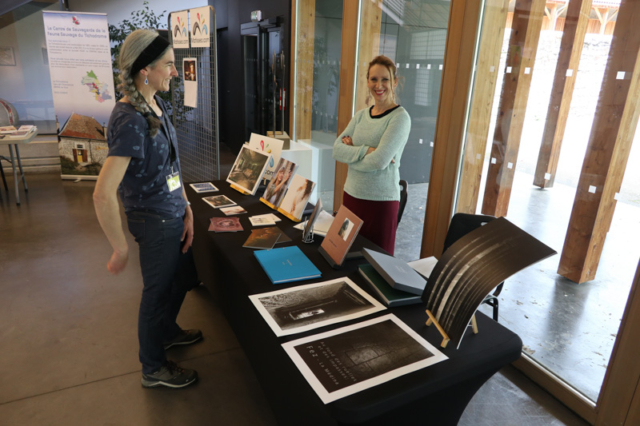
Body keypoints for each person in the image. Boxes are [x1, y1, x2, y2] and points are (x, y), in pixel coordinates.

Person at [93, 29, 201, 389]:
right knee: (156, 293)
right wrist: (119, 246)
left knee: (183, 279)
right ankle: (153, 367)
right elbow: (103, 193)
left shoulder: (155, 103)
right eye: (169, 65)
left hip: (172, 211)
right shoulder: (130, 120)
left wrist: (185, 205)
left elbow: (172, 165)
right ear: (145, 70)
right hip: (153, 220)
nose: (175, 72)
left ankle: (166, 332)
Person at [332, 55, 411, 255]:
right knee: (343, 259)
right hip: (351, 197)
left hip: (380, 205)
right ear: (368, 81)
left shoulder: (400, 118)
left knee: (374, 268)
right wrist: (366, 150)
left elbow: (379, 161)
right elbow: (336, 150)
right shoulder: (360, 115)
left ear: (394, 82)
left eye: (385, 79)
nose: (379, 85)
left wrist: (352, 155)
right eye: (373, 79)